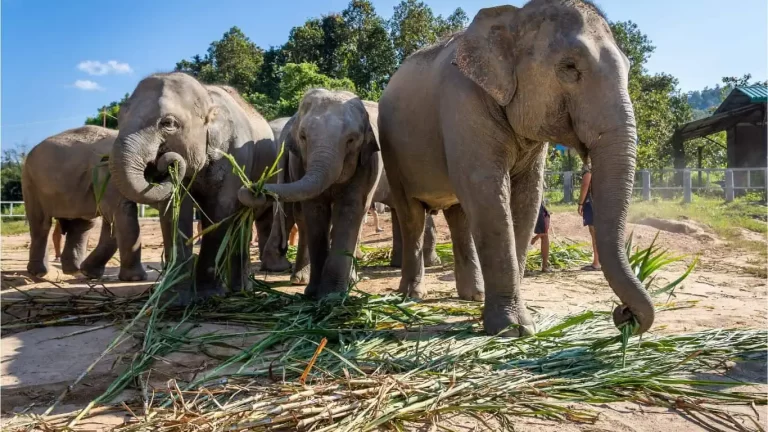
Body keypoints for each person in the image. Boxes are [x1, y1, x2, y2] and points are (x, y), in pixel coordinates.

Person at [578, 159, 601, 271]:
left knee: (594, 233)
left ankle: (596, 262)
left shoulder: (588, 170)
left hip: (591, 204)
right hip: (601, 203)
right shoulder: (601, 169)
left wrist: (580, 203)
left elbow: (585, 185)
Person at [530, 201, 552, 272]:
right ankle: (545, 266)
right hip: (535, 204)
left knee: (544, 234)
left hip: (536, 204)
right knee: (545, 235)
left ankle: (545, 265)